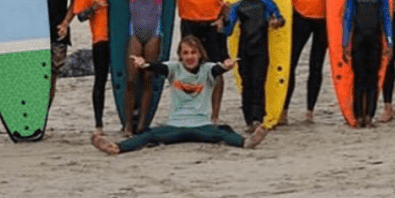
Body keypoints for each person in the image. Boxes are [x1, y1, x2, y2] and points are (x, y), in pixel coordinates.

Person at [91, 36, 268, 154]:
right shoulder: (174, 68)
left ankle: (246, 143)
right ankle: (116, 148)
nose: (190, 56)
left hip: (202, 126)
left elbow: (217, 69)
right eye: (185, 53)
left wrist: (226, 66)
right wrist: (144, 64)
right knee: (148, 135)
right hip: (175, 126)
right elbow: (157, 67)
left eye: (193, 52)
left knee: (223, 133)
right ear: (180, 56)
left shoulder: (207, 69)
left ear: (200, 54)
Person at [220, 0, 285, 131]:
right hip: (244, 50)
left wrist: (276, 23)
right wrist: (224, 19)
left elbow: (280, 19)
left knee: (258, 83)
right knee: (246, 84)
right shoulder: (236, 6)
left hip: (261, 49)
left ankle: (258, 119)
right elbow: (228, 31)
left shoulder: (266, 2)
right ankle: (249, 120)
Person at [343, 0, 393, 128]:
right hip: (358, 40)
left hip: (375, 41)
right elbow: (348, 20)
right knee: (359, 78)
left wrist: (389, 42)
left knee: (373, 78)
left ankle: (370, 115)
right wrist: (345, 44)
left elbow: (386, 19)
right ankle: (358, 116)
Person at [120, 0, 165, 135]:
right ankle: (128, 123)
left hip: (153, 34)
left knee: (147, 79)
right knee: (131, 80)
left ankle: (142, 124)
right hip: (135, 35)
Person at [69, 0, 109, 135]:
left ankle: (129, 121)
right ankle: (99, 124)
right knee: (100, 80)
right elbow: (80, 16)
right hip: (100, 38)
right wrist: (94, 7)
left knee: (127, 78)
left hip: (119, 36)